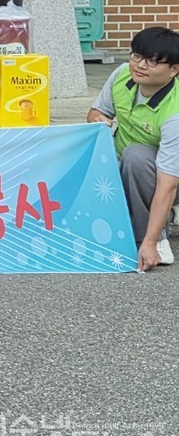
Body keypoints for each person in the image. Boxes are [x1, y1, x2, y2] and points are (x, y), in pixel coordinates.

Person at [87, 27, 179, 272]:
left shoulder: (174, 114)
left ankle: (153, 239)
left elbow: (168, 182)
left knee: (136, 156)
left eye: (152, 61)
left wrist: (151, 241)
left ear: (174, 70)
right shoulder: (121, 76)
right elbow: (97, 112)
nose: (140, 65)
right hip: (127, 169)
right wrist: (98, 120)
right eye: (136, 56)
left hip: (169, 178)